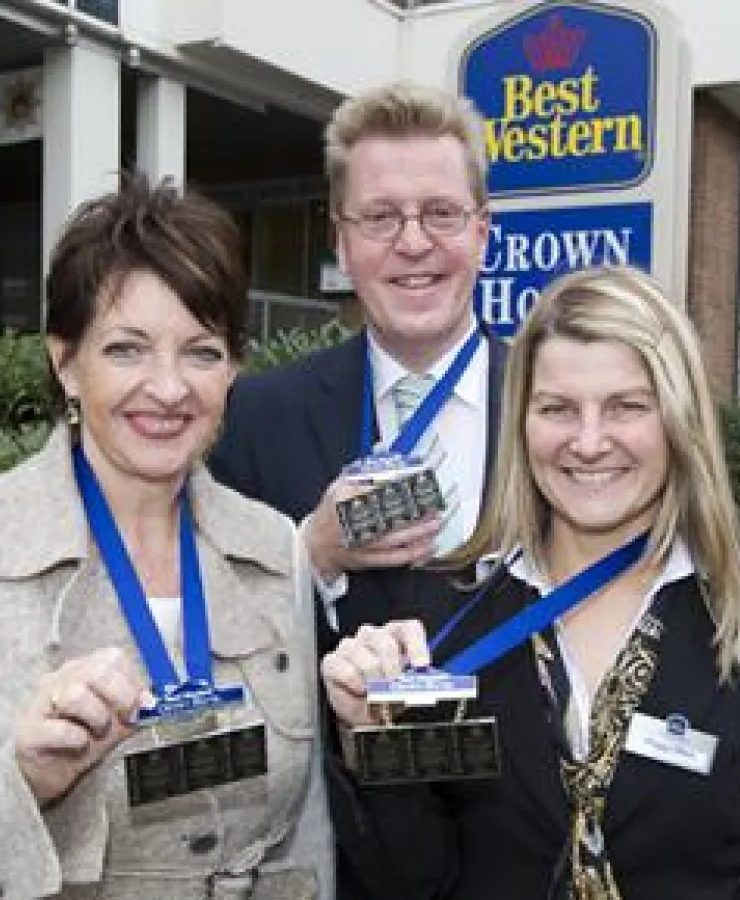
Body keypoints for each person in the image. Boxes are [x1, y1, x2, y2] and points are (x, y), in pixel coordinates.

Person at [0, 174, 334, 900]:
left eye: (201, 352)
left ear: (233, 365)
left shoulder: (276, 551)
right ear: (64, 360)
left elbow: (308, 838)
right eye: (126, 349)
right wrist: (17, 783)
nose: (169, 389)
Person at [322, 264, 740, 900]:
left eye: (627, 407)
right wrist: (370, 736)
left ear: (678, 420)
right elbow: (415, 881)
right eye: (557, 408)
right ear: (521, 422)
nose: (589, 443)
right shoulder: (441, 621)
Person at [209, 83, 506, 897]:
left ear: (481, 231)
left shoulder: (565, 417)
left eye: (441, 213)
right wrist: (309, 552)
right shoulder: (255, 417)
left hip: (528, 848)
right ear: (341, 237)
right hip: (336, 858)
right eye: (379, 218)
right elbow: (207, 638)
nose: (413, 243)